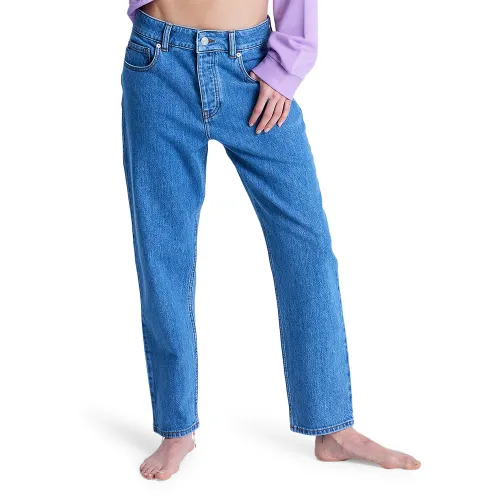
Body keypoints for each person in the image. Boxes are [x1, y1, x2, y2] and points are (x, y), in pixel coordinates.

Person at [122, 0, 421, 481]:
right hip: (158, 61)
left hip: (251, 66)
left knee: (307, 249)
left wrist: (284, 68)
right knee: (163, 253)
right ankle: (176, 428)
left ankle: (332, 426)